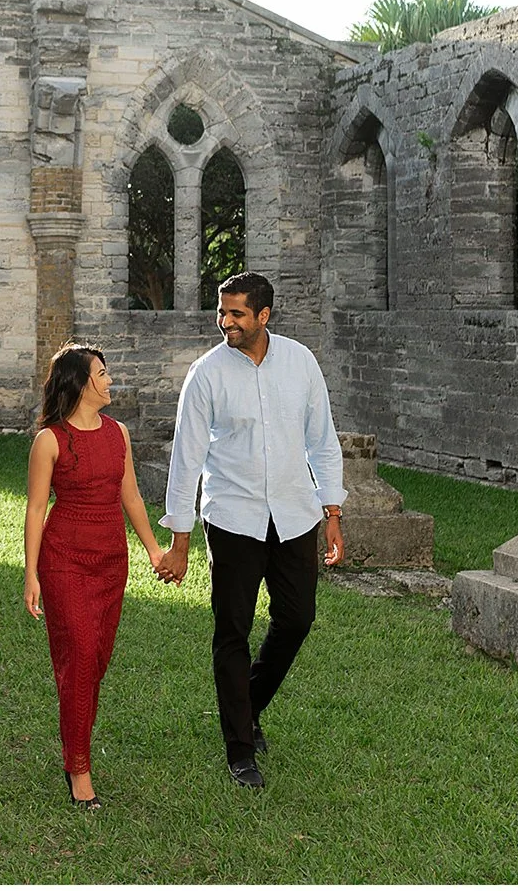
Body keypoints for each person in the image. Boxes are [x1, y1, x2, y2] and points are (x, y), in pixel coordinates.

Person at [155, 271, 345, 789]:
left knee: (297, 619)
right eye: (223, 312)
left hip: (295, 515)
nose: (227, 322)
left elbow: (322, 441)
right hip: (234, 519)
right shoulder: (206, 374)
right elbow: (186, 458)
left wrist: (332, 511)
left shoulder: (301, 362)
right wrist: (180, 536)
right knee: (231, 630)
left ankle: (247, 705)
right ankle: (240, 748)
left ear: (264, 315)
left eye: (237, 313)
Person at [23, 342, 169, 810]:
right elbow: (34, 509)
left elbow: (131, 498)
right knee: (81, 655)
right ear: (81, 383)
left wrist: (152, 550)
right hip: (64, 559)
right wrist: (31, 575)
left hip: (110, 561)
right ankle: (79, 767)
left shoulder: (118, 434)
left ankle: (75, 740)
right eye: (102, 373)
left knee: (96, 659)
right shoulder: (50, 440)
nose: (110, 381)